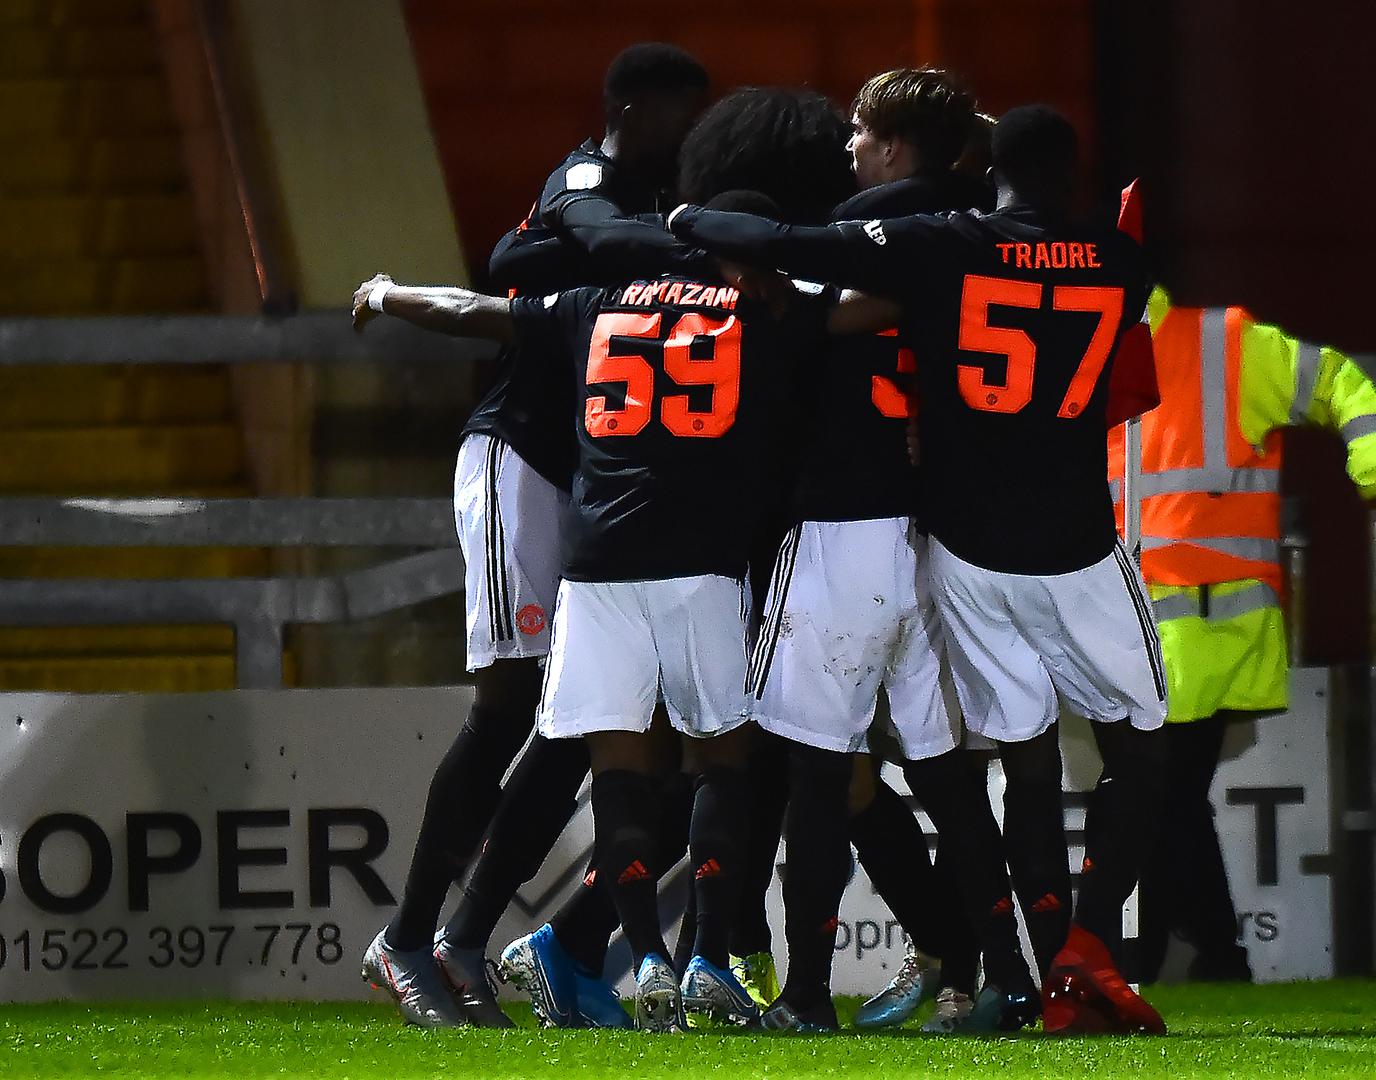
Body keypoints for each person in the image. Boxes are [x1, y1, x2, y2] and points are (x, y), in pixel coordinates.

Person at [667, 103, 1172, 1036]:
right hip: (1019, 538)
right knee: (1016, 768)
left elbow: (800, 278)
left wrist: (688, 223)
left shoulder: (933, 248)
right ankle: (1047, 965)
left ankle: (812, 993)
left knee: (838, 771)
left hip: (911, 539)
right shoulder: (1117, 257)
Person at [353, 187, 852, 1032]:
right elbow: (863, 312)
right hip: (702, 567)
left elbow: (472, 311)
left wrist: (388, 293)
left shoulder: (593, 304)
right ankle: (703, 963)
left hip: (596, 573)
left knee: (617, 773)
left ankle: (645, 962)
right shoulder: (761, 311)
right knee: (723, 766)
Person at [356, 42, 710, 1030]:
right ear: (632, 109)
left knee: (574, 720)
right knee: (514, 702)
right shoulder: (589, 179)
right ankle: (408, 938)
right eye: (680, 111)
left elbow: (533, 259)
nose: (689, 131)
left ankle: (466, 939)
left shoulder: (646, 195)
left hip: (593, 476)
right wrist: (693, 243)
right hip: (523, 458)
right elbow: (582, 239)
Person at [1106, 285, 1376, 981]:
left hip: (1205, 624)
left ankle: (1200, 956)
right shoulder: (1081, 349)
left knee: (1161, 794)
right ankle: (1179, 957)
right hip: (1135, 625)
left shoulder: (1222, 342)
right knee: (1163, 797)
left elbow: (1336, 379)